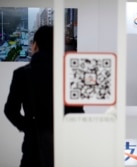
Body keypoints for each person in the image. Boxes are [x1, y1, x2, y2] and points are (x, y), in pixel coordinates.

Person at [4, 25, 84, 167]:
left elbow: (10, 110)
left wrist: (28, 127)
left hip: (34, 145)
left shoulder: (22, 73)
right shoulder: (72, 73)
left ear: (35, 45)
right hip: (65, 145)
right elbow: (78, 112)